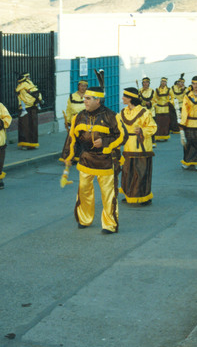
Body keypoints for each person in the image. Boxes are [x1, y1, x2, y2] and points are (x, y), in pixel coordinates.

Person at [64, 86, 127, 234]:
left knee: (108, 194)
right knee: (84, 191)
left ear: (97, 100)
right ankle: (84, 219)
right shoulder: (78, 117)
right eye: (84, 98)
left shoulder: (112, 116)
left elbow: (123, 136)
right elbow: (72, 138)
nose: (84, 100)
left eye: (88, 98)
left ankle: (109, 224)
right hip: (86, 160)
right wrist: (68, 155)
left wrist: (105, 142)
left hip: (105, 161)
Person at [117, 87, 157, 206]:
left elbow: (153, 127)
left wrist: (142, 130)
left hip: (141, 146)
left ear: (130, 98)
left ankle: (144, 197)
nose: (122, 98)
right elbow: (117, 126)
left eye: (124, 96)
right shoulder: (123, 112)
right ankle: (130, 194)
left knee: (141, 172)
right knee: (127, 172)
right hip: (128, 147)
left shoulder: (144, 112)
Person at [60, 80, 88, 163]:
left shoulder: (89, 96)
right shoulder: (72, 96)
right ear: (78, 86)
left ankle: (82, 157)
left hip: (85, 120)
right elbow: (68, 109)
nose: (83, 88)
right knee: (71, 139)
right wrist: (68, 121)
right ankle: (70, 157)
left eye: (85, 86)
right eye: (81, 86)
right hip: (75, 120)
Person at [16, 73, 42, 149]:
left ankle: (28, 143)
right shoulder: (27, 85)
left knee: (26, 126)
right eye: (28, 77)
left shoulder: (22, 86)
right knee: (31, 125)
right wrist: (37, 101)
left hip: (27, 108)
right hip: (32, 107)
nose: (29, 78)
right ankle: (30, 143)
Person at [153, 77, 172, 141]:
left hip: (166, 108)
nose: (163, 83)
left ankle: (165, 136)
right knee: (158, 123)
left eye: (164, 82)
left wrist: (169, 102)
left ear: (166, 83)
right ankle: (158, 137)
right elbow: (154, 98)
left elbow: (173, 97)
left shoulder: (169, 90)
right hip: (159, 108)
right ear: (160, 82)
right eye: (162, 81)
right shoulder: (157, 90)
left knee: (165, 123)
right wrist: (156, 105)